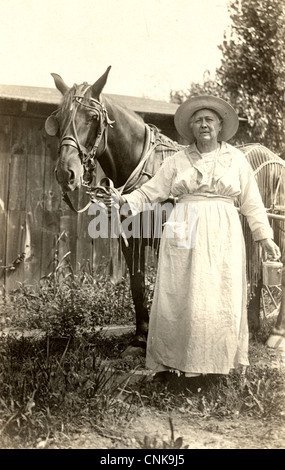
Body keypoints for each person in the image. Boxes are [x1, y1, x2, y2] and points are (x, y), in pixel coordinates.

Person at [99, 95, 281, 381]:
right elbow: (150, 192)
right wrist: (122, 202)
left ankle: (214, 367)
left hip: (224, 232)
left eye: (209, 120)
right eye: (198, 121)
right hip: (184, 231)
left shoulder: (236, 160)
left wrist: (264, 237)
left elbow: (252, 203)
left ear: (220, 126)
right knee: (180, 294)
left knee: (218, 294)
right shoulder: (177, 161)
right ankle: (176, 364)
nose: (203, 125)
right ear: (191, 128)